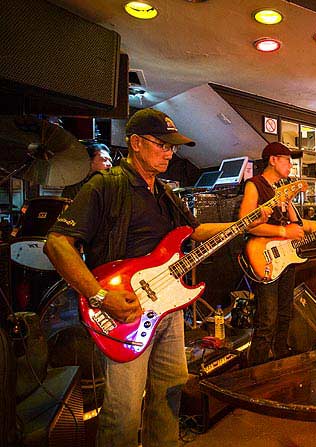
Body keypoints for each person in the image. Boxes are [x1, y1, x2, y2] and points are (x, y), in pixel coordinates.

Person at [44, 108, 269, 447]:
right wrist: (100, 297)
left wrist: (243, 224)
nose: (169, 152)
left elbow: (193, 231)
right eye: (162, 145)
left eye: (172, 147)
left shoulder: (163, 193)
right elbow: (57, 242)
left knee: (170, 393)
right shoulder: (106, 185)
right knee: (124, 411)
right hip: (125, 310)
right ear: (135, 143)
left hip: (168, 308)